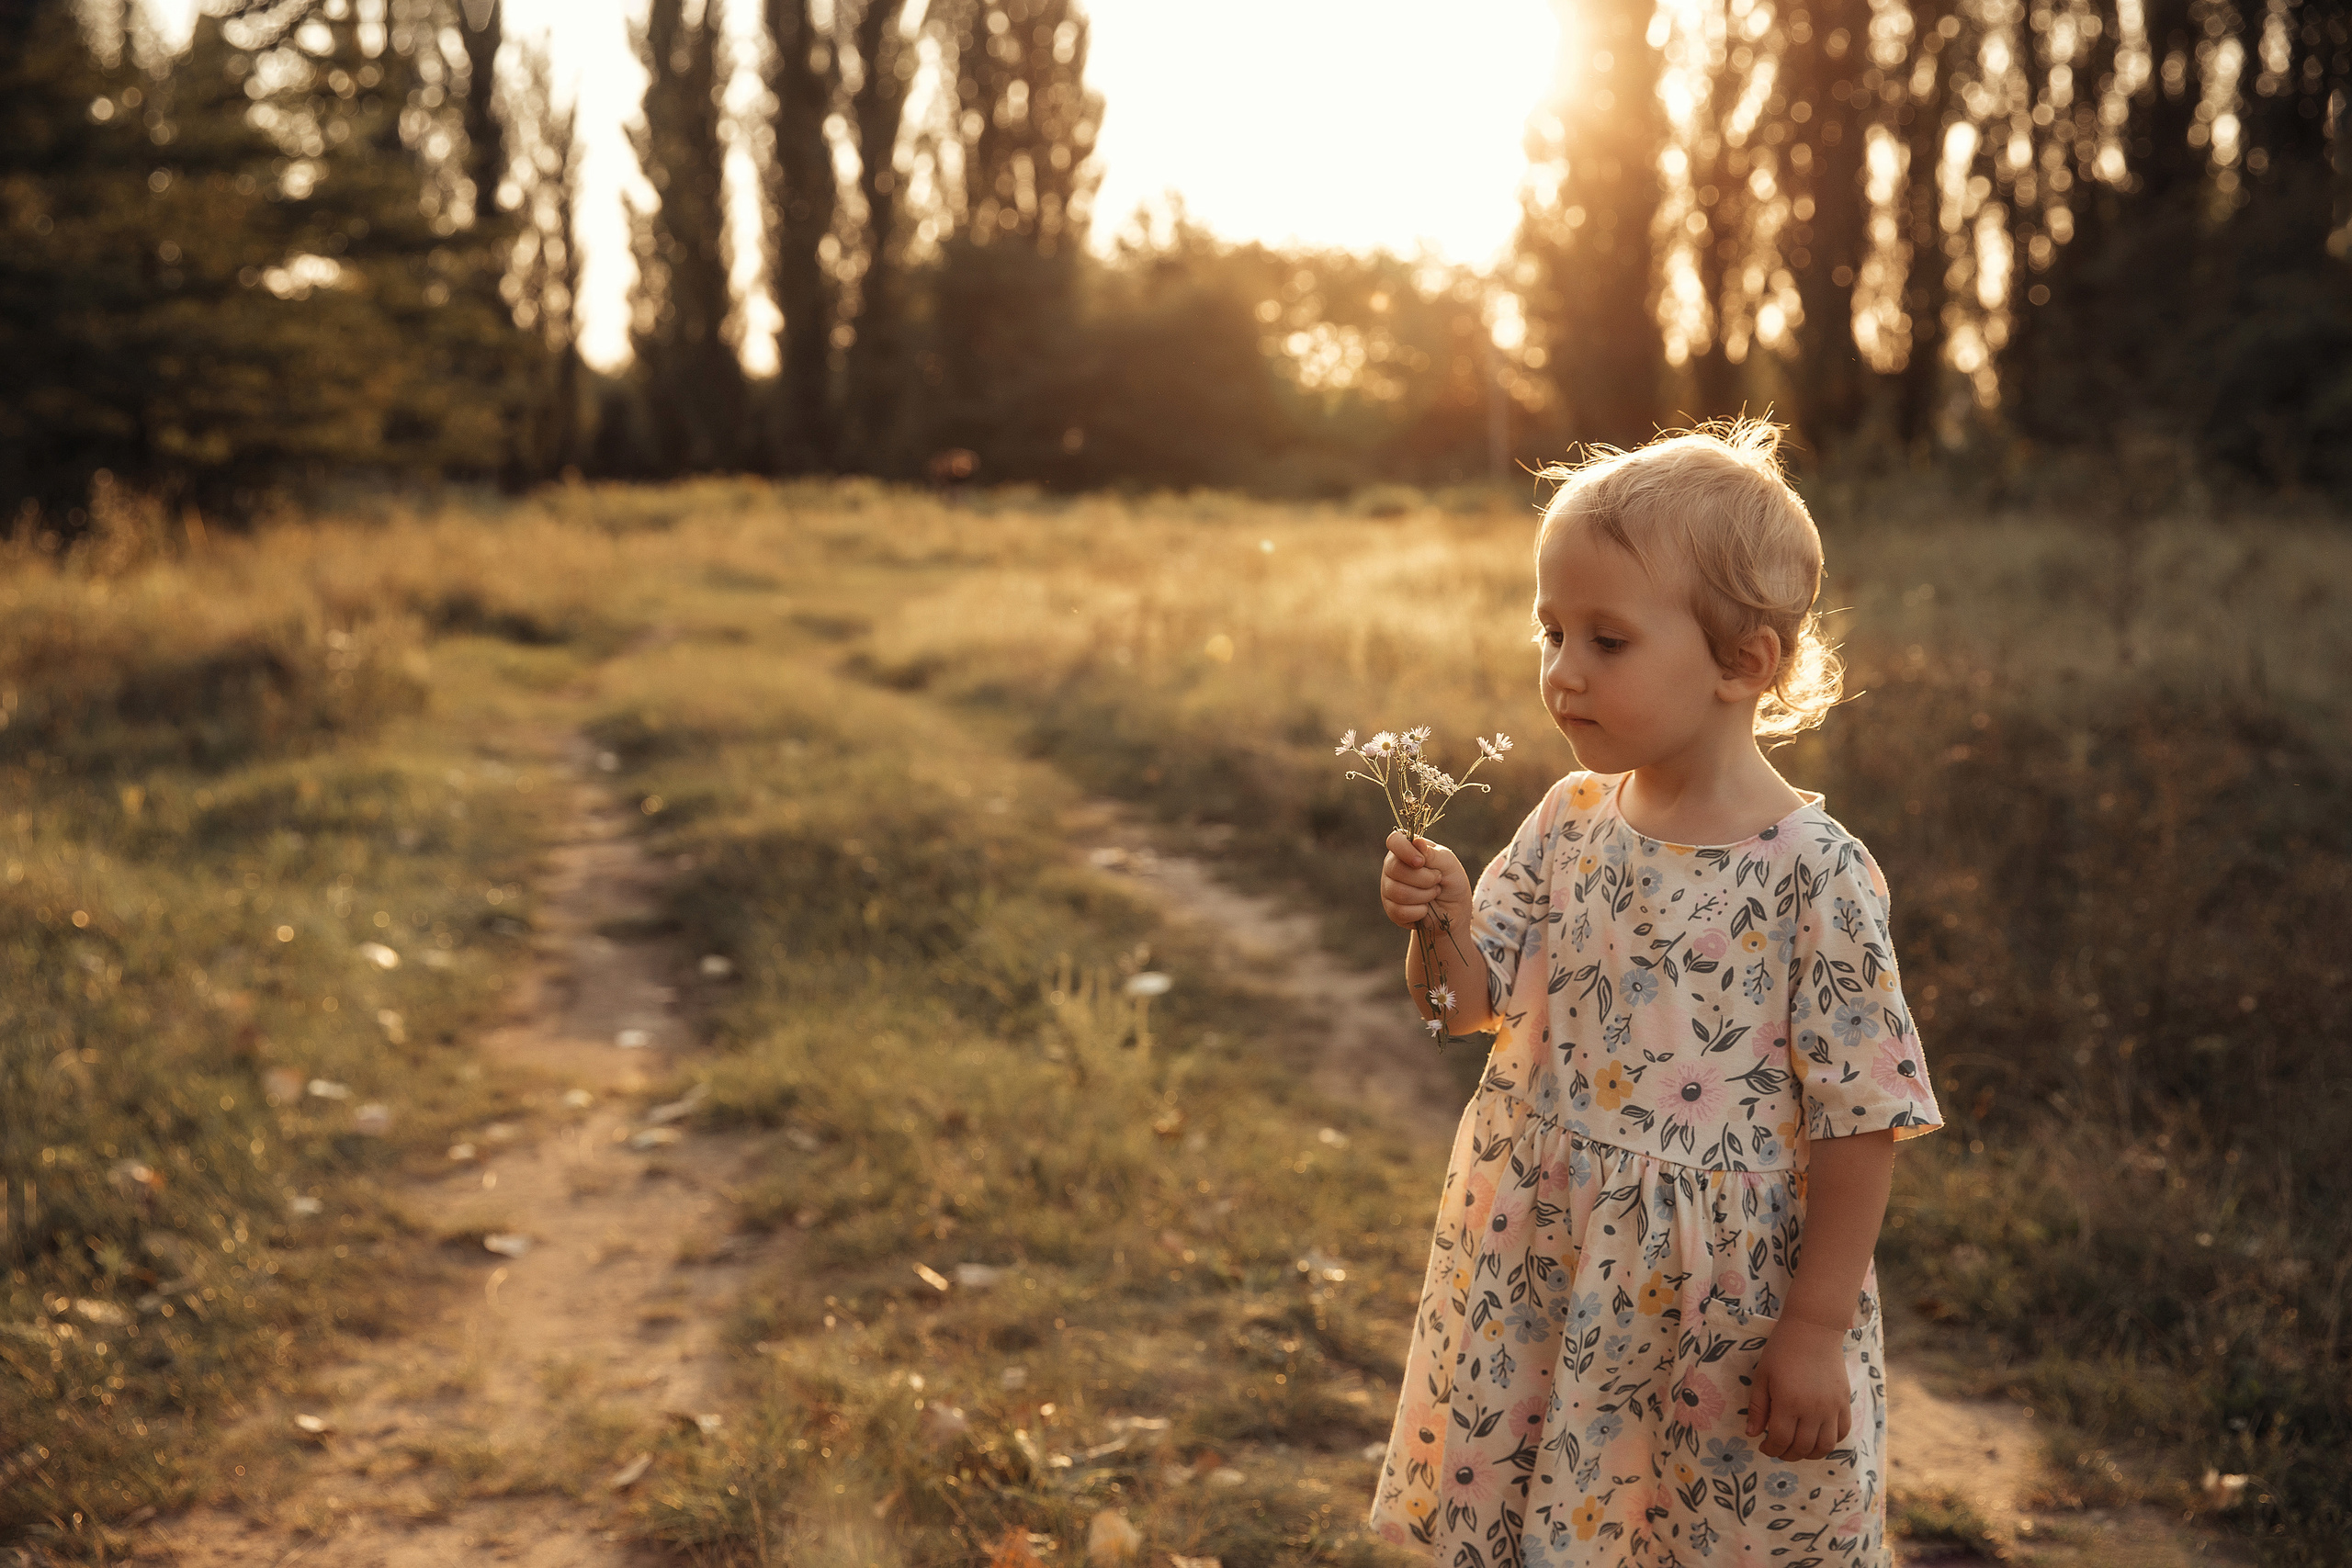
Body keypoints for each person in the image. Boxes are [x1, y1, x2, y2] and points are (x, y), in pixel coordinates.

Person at [1365, 421, 1941, 1566]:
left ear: (1744, 663)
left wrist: (1815, 1329)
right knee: (1562, 1514)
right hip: (1550, 1259)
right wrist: (1442, 923)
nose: (1562, 669)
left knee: (1703, 1528)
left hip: (1714, 1309)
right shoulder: (1569, 819)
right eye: (1551, 631)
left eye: (1607, 639)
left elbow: (1863, 1115)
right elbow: (1465, 1013)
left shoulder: (1812, 872)